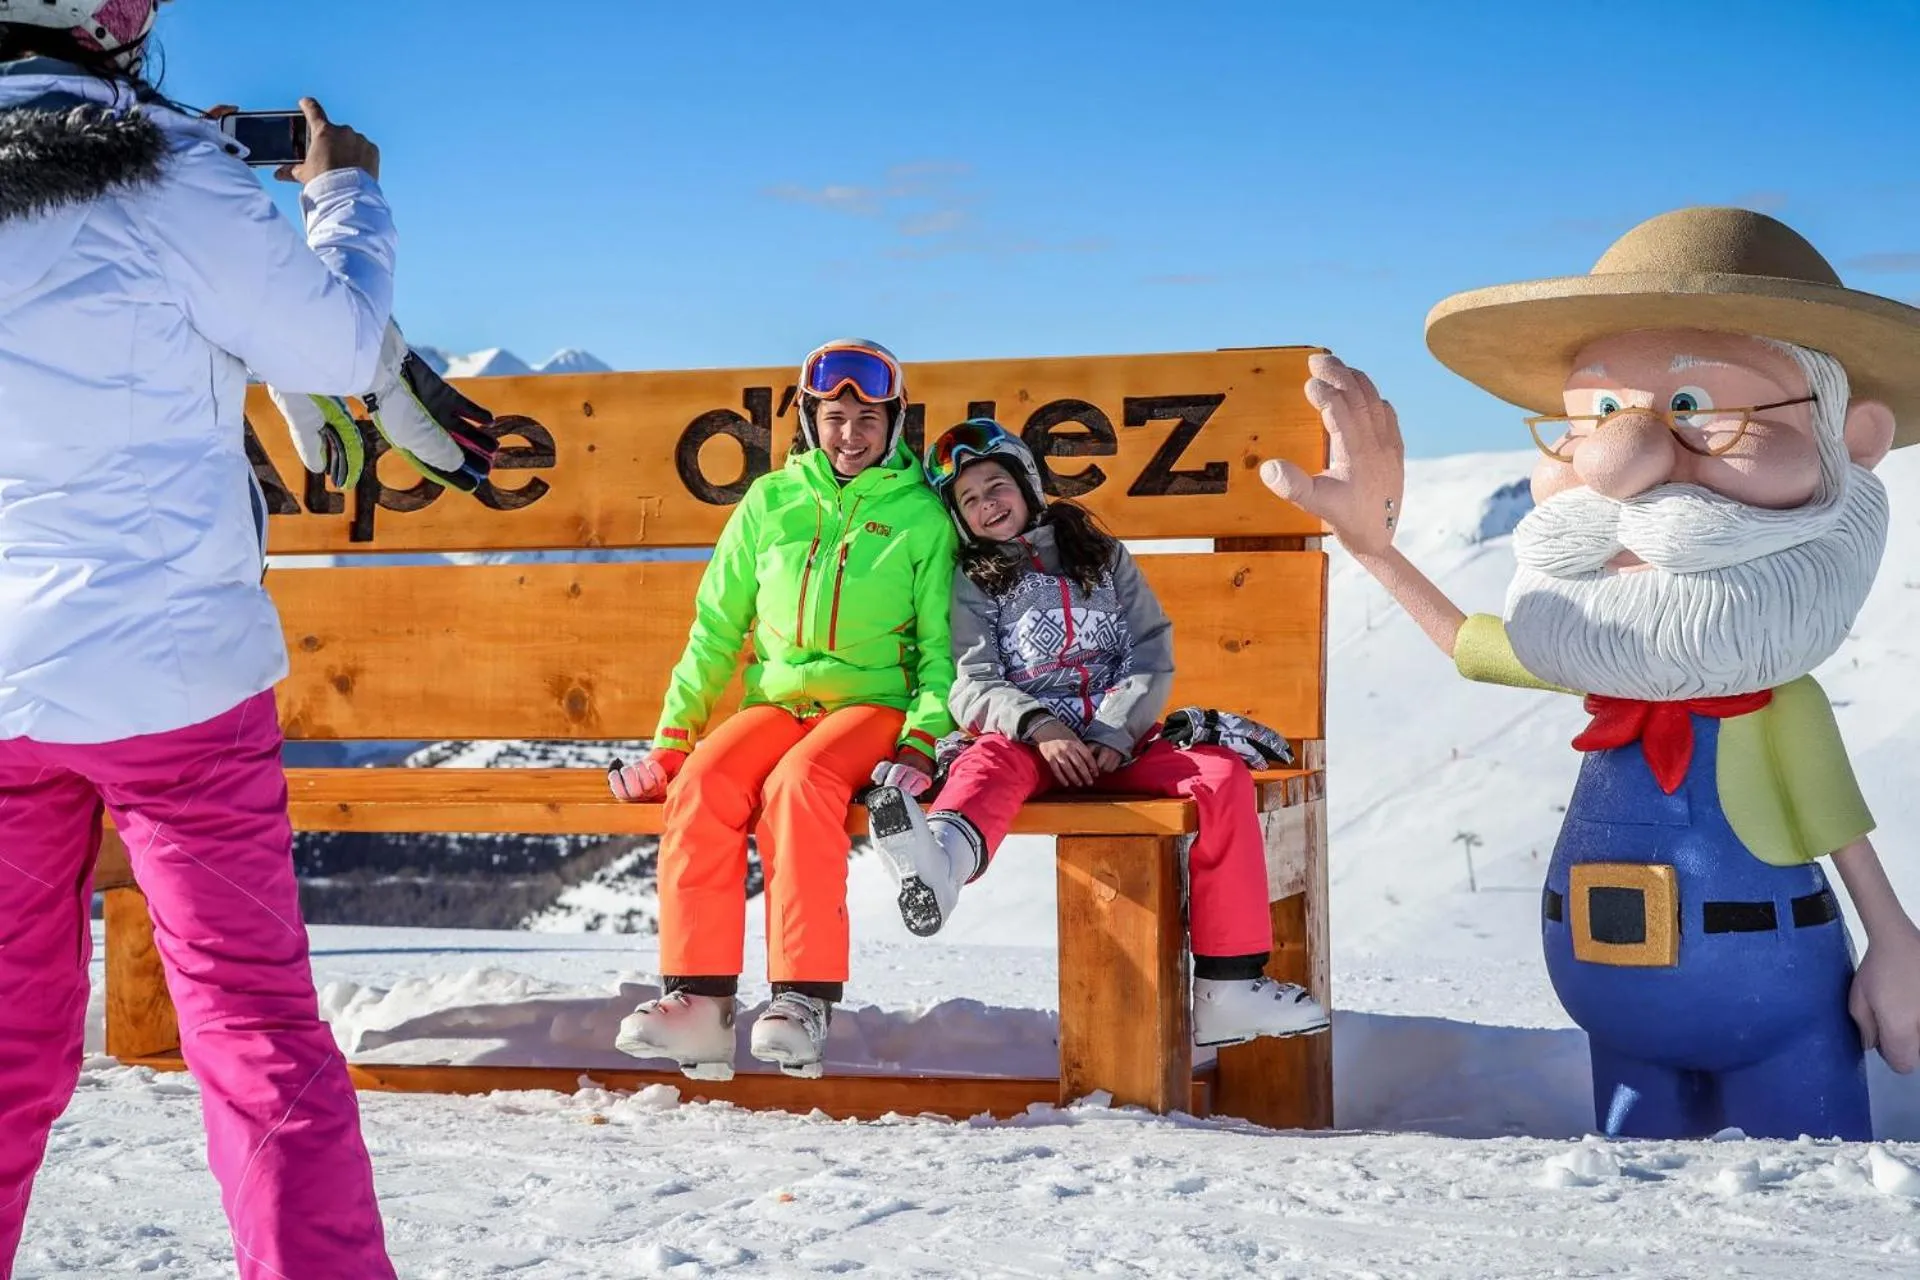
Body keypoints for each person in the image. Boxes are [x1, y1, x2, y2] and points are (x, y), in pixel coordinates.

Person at [0, 0, 489, 1271]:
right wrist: (345, 199)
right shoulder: (171, 167)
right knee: (253, 1024)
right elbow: (335, 338)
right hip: (173, 677)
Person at [1261, 206, 1920, 1139]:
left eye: (1696, 410)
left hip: (1776, 999)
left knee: (1807, 1178)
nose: (1622, 465)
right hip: (1616, 1002)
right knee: (1627, 1191)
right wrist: (1374, 549)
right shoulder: (1591, 650)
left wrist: (1894, 943)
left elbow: (1840, 828)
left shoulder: (1778, 703)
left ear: (1849, 440)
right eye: (1598, 414)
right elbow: (1469, 644)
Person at [865, 419, 1329, 1048]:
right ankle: (940, 865)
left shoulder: (1102, 558)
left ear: (1028, 484)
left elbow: (1149, 649)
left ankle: (1229, 987)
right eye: (969, 501)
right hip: (1032, 745)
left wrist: (1114, 731)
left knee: (1221, 778)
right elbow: (971, 682)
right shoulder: (974, 580)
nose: (986, 506)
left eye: (995, 486)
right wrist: (1040, 723)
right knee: (987, 762)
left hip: (1121, 744)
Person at [608, 339, 958, 1079]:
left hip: (873, 705)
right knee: (703, 783)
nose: (850, 434)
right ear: (809, 418)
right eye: (835, 416)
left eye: (868, 418)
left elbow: (940, 648)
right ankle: (698, 1005)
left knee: (800, 786)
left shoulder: (921, 518)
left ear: (894, 423)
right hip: (777, 701)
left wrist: (925, 739)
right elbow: (716, 628)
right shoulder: (769, 503)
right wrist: (675, 738)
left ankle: (801, 1000)